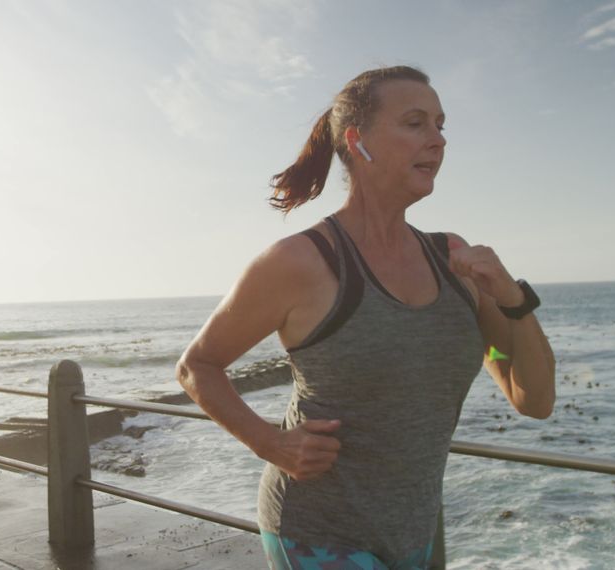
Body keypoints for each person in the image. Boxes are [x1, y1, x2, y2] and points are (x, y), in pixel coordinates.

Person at [175, 65, 556, 570]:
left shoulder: (456, 261)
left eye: (441, 125)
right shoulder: (302, 262)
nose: (438, 140)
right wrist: (271, 444)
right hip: (317, 532)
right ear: (358, 141)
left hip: (413, 534)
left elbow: (532, 396)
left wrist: (511, 297)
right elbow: (197, 366)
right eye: (416, 123)